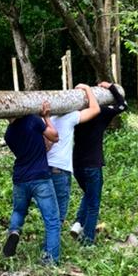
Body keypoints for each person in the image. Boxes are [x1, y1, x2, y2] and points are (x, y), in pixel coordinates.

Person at [3, 100, 61, 265]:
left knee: (19, 211)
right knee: (52, 220)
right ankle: (51, 259)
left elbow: (41, 146)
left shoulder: (8, 134)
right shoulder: (32, 119)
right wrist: (46, 117)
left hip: (20, 179)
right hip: (40, 177)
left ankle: (14, 231)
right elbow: (54, 136)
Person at [70, 80, 127, 244]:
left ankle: (78, 223)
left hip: (76, 164)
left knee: (88, 193)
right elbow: (123, 105)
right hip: (93, 164)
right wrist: (111, 88)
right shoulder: (103, 112)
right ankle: (88, 239)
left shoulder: (76, 114)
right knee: (94, 202)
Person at [47, 84, 100, 226]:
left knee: (50, 212)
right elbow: (95, 109)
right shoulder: (69, 117)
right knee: (59, 214)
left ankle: (48, 244)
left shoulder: (47, 119)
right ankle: (51, 247)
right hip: (61, 170)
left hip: (44, 169)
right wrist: (88, 89)